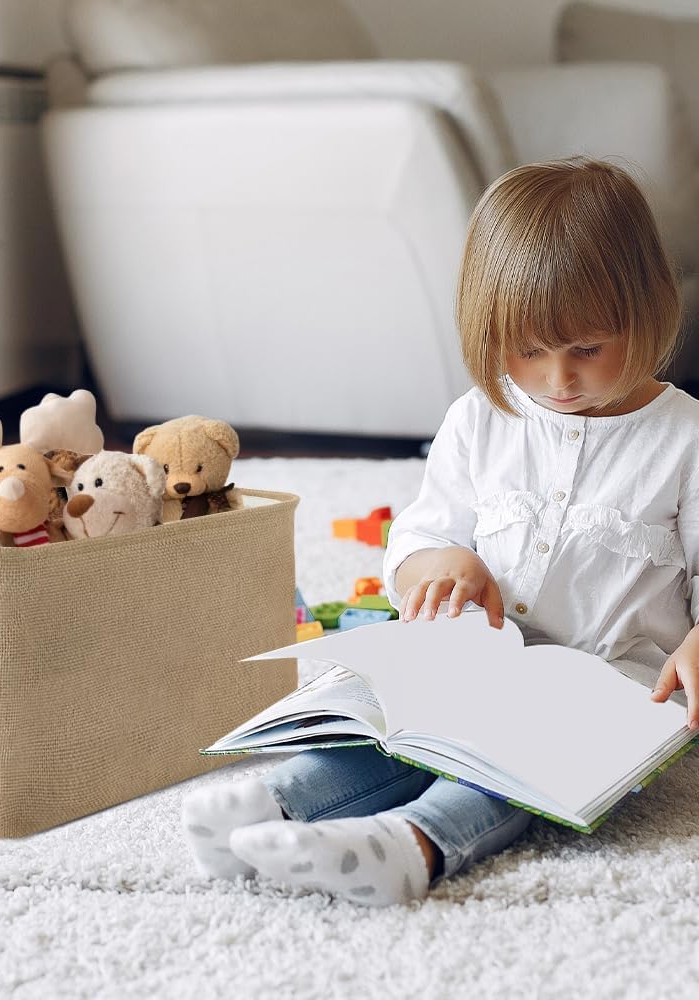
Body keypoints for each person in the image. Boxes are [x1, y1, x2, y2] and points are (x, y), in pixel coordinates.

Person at [182, 157, 699, 907]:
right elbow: (423, 533)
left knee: (521, 763)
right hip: (477, 660)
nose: (557, 378)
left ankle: (411, 846)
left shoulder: (683, 439)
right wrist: (441, 564)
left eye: (587, 348)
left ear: (647, 311)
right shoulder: (481, 420)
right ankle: (277, 804)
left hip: (615, 685)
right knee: (395, 728)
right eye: (528, 350)